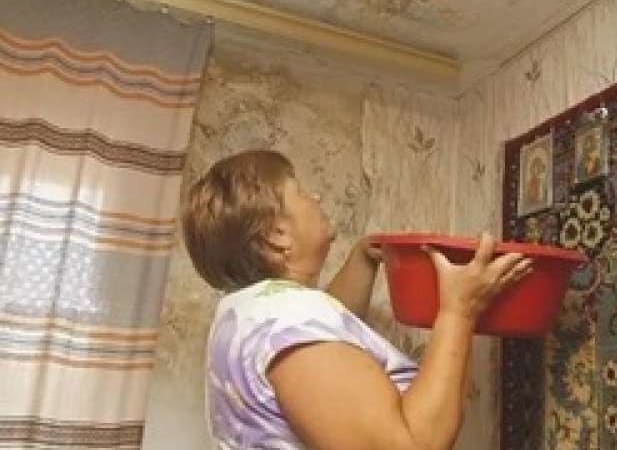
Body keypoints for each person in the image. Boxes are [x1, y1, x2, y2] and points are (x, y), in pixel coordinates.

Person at [182, 150, 533, 450]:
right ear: (277, 235)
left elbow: (333, 349)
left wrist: (362, 260)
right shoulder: (290, 327)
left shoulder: (253, 312)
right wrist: (459, 311)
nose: (315, 197)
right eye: (300, 192)